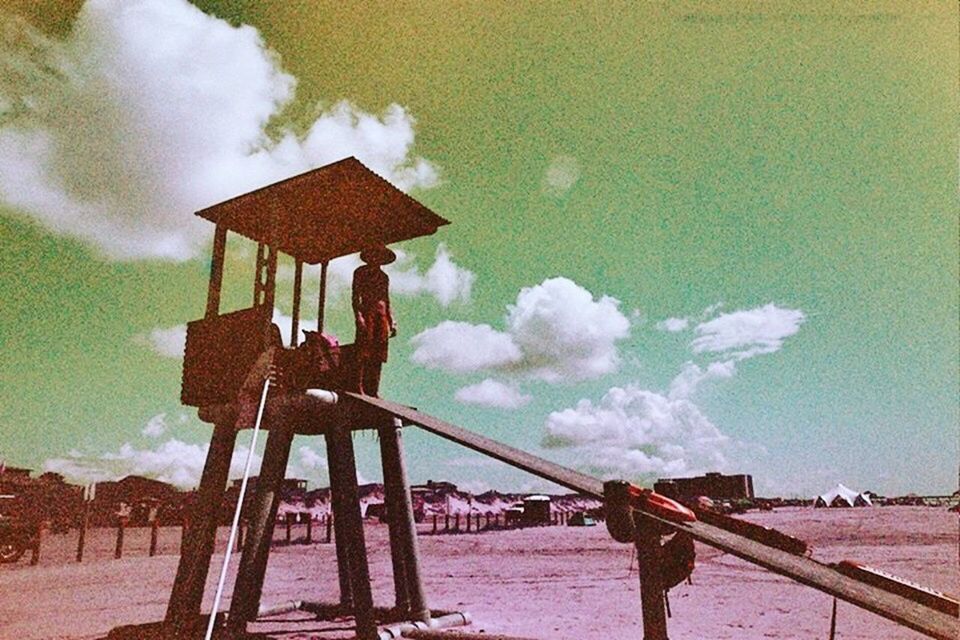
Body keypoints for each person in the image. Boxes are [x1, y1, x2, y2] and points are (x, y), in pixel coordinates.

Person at [352, 244, 397, 395]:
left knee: (379, 353)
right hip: (367, 312)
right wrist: (359, 317)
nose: (377, 259)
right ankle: (358, 385)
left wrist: (392, 320)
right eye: (375, 255)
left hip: (381, 315)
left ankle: (373, 389)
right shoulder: (360, 273)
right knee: (363, 349)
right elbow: (355, 296)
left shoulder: (384, 277)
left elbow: (386, 299)